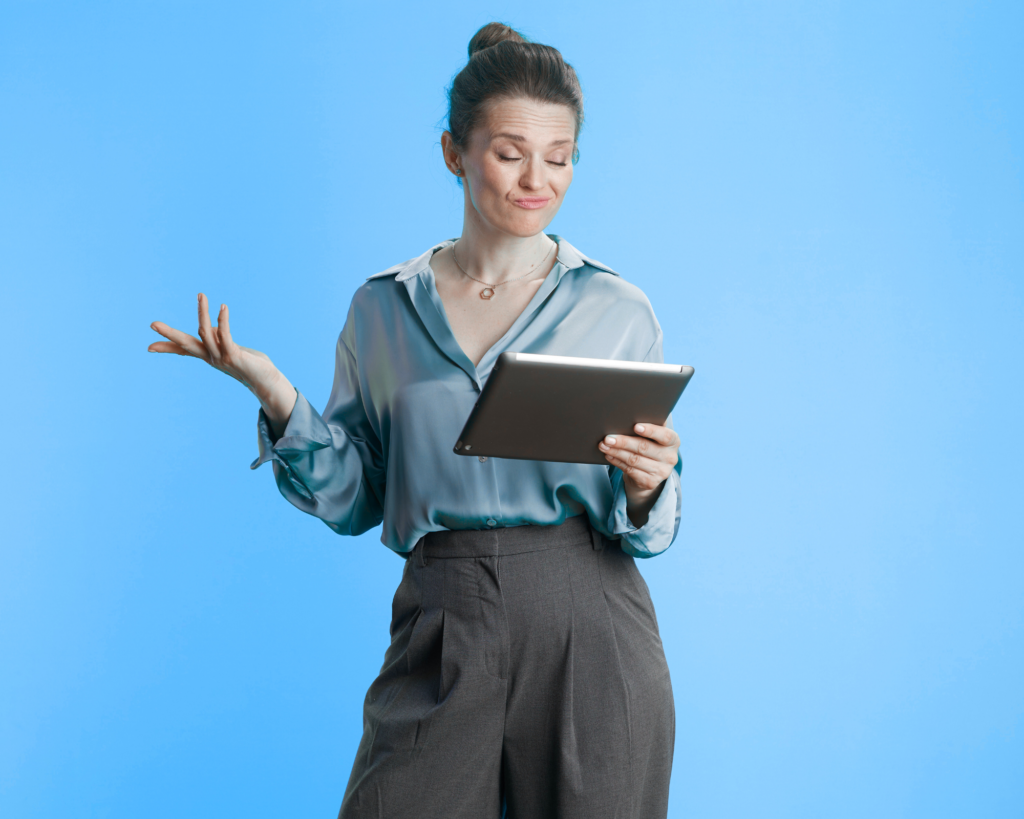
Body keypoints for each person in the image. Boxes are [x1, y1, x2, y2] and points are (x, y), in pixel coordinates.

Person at [149, 22, 682, 819]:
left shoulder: (616, 308)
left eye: (560, 156)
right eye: (510, 152)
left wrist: (648, 485)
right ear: (453, 153)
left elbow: (644, 517)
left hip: (589, 622)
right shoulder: (384, 310)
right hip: (443, 610)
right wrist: (276, 394)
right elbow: (358, 494)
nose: (538, 178)